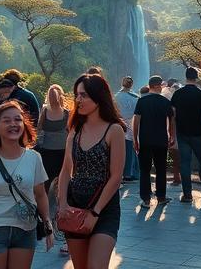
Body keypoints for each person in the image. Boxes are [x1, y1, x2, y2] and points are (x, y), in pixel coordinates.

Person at [0, 100, 53, 268]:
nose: (13, 124)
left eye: (17, 120)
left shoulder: (34, 157)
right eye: (6, 121)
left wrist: (48, 223)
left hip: (25, 230)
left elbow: (40, 194)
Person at [58, 73, 125, 269]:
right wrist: (62, 204)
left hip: (104, 209)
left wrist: (94, 213)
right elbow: (65, 171)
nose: (78, 100)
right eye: (77, 95)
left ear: (99, 96)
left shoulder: (114, 130)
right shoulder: (75, 130)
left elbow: (116, 176)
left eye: (84, 95)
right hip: (75, 206)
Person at [171, 66, 201, 203]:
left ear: (186, 77)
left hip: (182, 133)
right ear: (196, 77)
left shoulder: (177, 94)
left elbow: (172, 115)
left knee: (185, 163)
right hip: (199, 133)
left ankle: (187, 195)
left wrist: (172, 133)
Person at [132, 75, 175, 207]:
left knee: (145, 170)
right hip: (161, 140)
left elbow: (136, 121)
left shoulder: (141, 101)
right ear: (156, 86)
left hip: (145, 140)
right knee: (161, 169)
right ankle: (161, 197)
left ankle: (146, 199)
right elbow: (172, 119)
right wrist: (171, 135)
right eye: (161, 85)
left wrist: (135, 139)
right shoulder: (165, 101)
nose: (162, 87)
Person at [36, 84, 70, 191]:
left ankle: (44, 203)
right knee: (63, 180)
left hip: (47, 150)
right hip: (63, 150)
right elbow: (70, 131)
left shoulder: (45, 111)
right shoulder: (66, 113)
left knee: (46, 180)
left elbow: (39, 128)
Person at [113, 76, 139, 182]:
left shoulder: (116, 97)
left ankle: (121, 173)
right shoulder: (136, 97)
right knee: (131, 149)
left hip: (119, 124)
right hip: (132, 124)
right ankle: (131, 172)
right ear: (131, 84)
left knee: (118, 150)